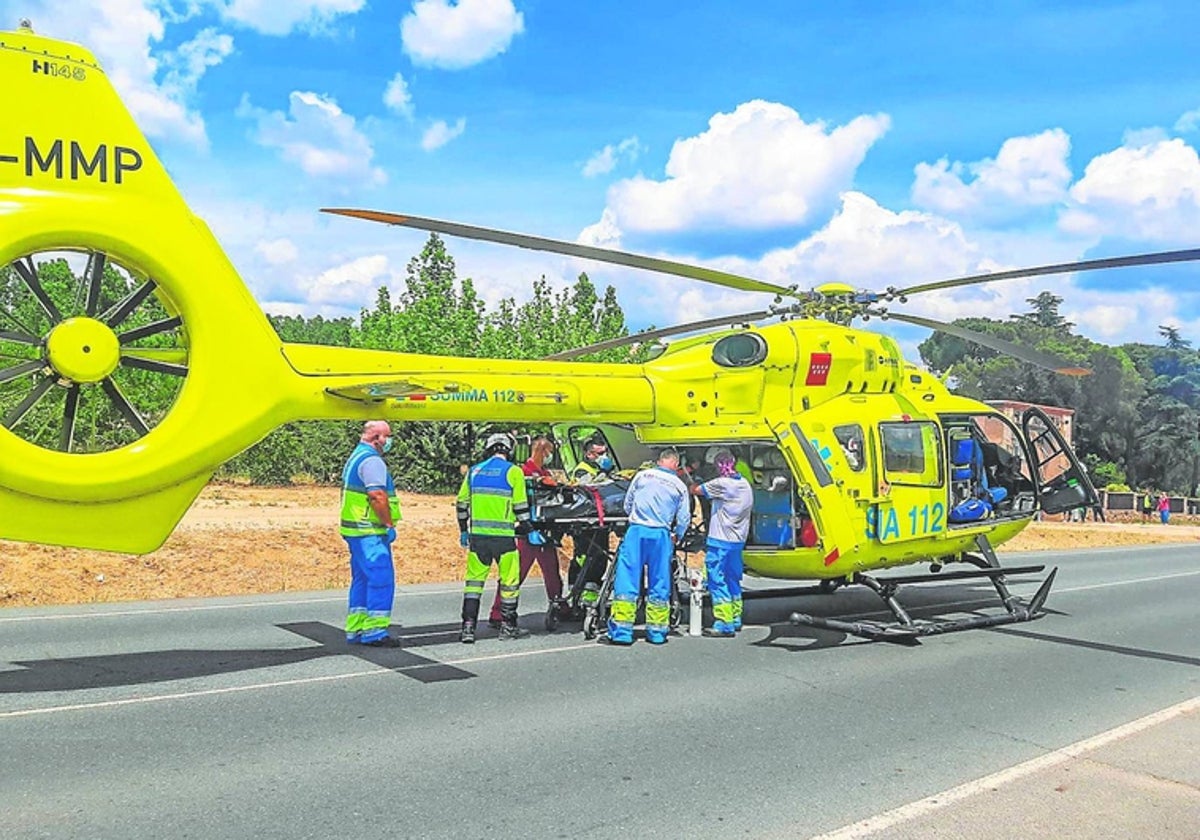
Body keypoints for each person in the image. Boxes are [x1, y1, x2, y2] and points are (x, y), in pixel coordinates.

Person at [607, 448, 690, 646]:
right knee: (660, 581)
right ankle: (657, 631)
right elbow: (684, 518)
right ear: (676, 464)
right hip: (661, 535)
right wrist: (677, 534)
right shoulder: (680, 485)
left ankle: (622, 630)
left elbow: (628, 504)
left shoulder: (642, 476)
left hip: (637, 531)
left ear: (659, 461)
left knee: (627, 578)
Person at [456, 432, 532, 643]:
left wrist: (463, 529)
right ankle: (508, 627)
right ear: (508, 450)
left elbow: (462, 504)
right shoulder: (514, 472)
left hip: (478, 538)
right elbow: (521, 508)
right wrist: (529, 528)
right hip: (504, 539)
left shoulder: (474, 471)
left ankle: (468, 628)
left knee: (474, 583)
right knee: (509, 582)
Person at [487, 435, 564, 627]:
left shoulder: (543, 472)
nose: (550, 456)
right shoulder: (524, 472)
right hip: (528, 531)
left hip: (544, 530)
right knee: (515, 574)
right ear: (543, 451)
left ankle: (558, 605)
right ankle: (498, 612)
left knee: (552, 573)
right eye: (550, 452)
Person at [340, 420, 401, 647]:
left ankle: (356, 627)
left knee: (362, 579)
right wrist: (388, 524)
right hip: (370, 530)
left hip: (355, 530)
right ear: (378, 438)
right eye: (388, 436)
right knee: (380, 579)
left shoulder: (356, 456)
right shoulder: (372, 461)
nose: (390, 441)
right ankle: (374, 631)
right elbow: (376, 495)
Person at [691, 450, 754, 637]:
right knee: (732, 578)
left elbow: (696, 490)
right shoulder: (744, 485)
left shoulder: (722, 484)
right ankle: (735, 617)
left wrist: (690, 476)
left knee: (716, 579)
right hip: (737, 541)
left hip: (720, 540)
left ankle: (724, 621)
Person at [567, 437, 614, 613]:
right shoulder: (582, 470)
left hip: (598, 521)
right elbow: (586, 488)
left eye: (605, 452)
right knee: (585, 557)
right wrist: (603, 478)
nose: (604, 456)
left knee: (600, 556)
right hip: (585, 522)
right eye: (600, 453)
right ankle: (578, 594)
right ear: (589, 454)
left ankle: (590, 595)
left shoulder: (599, 468)